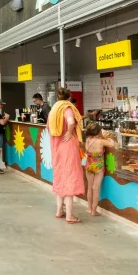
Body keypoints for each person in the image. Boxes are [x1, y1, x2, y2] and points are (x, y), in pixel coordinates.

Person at [48, 87, 85, 224]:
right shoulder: (67, 108)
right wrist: (70, 132)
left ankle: (59, 211)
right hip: (68, 147)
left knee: (60, 177)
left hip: (57, 147)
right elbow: (71, 121)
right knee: (70, 178)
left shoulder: (54, 109)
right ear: (69, 98)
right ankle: (70, 215)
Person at [84, 123, 115, 217]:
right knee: (96, 188)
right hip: (98, 167)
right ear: (98, 131)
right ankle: (94, 210)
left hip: (89, 165)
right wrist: (108, 137)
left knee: (89, 188)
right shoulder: (101, 141)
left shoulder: (88, 140)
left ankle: (89, 208)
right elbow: (112, 144)